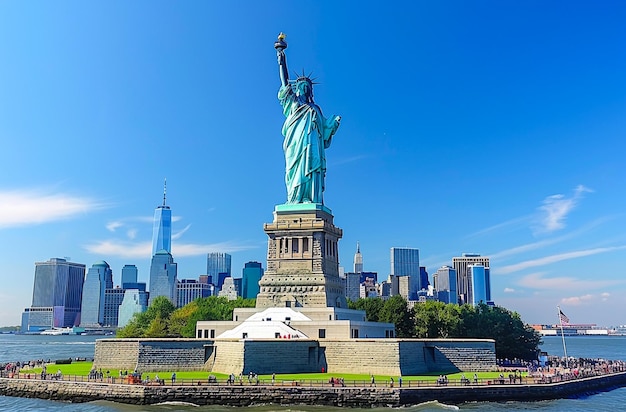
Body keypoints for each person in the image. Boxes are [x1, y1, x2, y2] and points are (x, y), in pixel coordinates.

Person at [275, 33, 341, 205]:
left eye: (307, 87)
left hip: (312, 146)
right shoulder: (292, 102)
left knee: (312, 169)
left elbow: (325, 131)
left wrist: (332, 124)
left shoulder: (315, 109)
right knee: (295, 170)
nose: (304, 89)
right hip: (296, 144)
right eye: (301, 86)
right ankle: (295, 199)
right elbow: (284, 82)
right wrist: (281, 58)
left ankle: (311, 198)